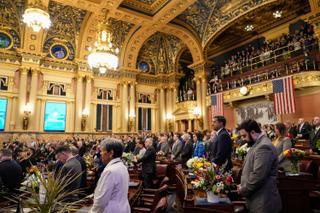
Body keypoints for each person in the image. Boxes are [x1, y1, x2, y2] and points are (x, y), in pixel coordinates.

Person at [238, 119, 282, 213]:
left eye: (244, 135)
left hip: (263, 201)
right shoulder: (257, 144)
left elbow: (258, 175)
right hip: (256, 199)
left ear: (253, 132)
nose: (243, 139)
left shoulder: (264, 147)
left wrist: (244, 189)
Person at [90, 138, 130, 213]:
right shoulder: (122, 166)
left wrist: (93, 211)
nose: (100, 153)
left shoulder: (110, 171)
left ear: (111, 153)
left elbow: (101, 200)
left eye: (102, 151)